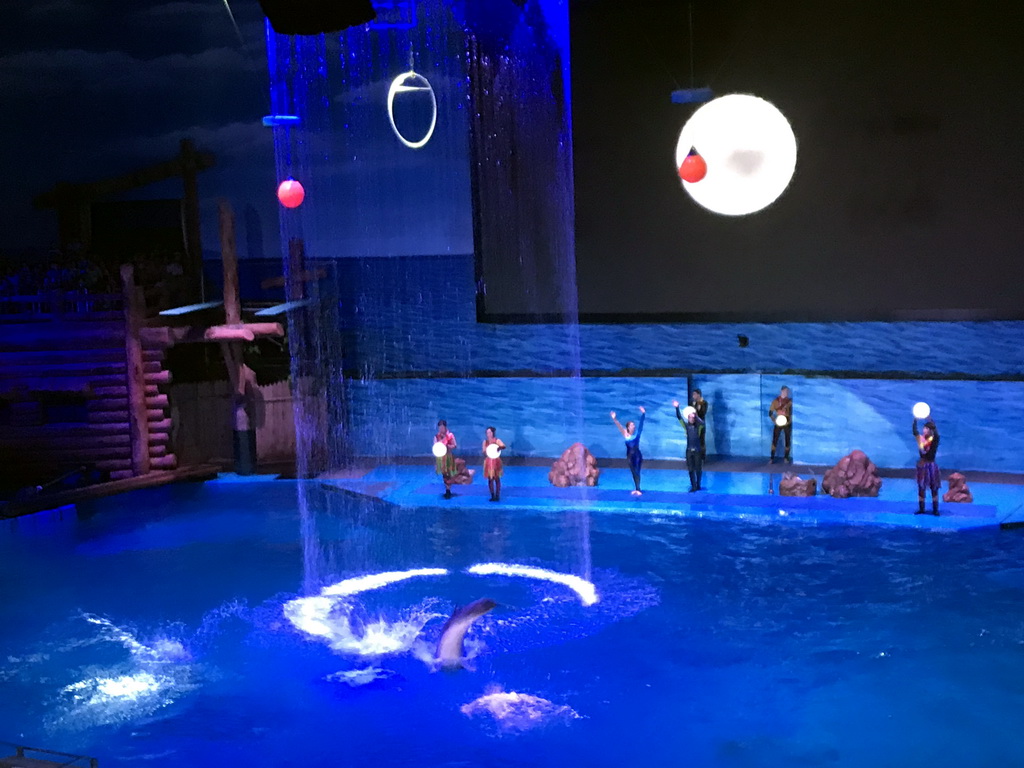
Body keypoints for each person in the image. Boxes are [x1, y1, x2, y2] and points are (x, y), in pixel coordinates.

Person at [611, 406, 646, 496]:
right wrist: (614, 419)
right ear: (628, 428)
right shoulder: (625, 435)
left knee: (637, 471)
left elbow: (641, 424)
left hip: (637, 455)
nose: (633, 427)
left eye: (634, 425)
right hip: (629, 456)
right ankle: (636, 488)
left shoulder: (637, 434)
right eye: (632, 425)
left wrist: (643, 414)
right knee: (633, 472)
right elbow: (619, 426)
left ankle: (638, 489)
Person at [675, 400, 705, 492]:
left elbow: (702, 423)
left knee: (698, 469)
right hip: (689, 451)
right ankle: (693, 486)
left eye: (692, 418)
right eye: (689, 418)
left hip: (697, 450)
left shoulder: (698, 427)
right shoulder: (686, 427)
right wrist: (677, 408)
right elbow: (679, 418)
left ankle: (698, 484)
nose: (690, 419)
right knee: (691, 469)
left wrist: (695, 415)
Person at [913, 418, 940, 516]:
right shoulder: (921, 439)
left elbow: (937, 435)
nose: (924, 430)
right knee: (921, 487)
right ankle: (921, 509)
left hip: (931, 465)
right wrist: (915, 420)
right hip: (922, 465)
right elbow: (914, 431)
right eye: (924, 428)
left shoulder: (933, 440)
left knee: (934, 487)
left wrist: (931, 420)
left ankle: (935, 510)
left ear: (930, 430)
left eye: (926, 428)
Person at [768, 386, 793, 462]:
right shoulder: (775, 401)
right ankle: (772, 458)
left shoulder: (790, 402)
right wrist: (774, 421)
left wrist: (789, 421)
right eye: (785, 391)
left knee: (787, 440)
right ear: (781, 391)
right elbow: (770, 413)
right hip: (778, 423)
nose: (786, 393)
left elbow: (792, 413)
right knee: (775, 439)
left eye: (787, 392)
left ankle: (786, 457)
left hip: (787, 423)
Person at [482, 426, 507, 502]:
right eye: (487, 433)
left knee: (497, 478)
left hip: (496, 461)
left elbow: (503, 446)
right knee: (490, 479)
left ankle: (497, 495)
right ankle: (492, 495)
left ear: (493, 433)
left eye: (490, 432)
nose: (488, 434)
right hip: (489, 461)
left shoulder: (497, 440)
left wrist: (498, 448)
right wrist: (488, 449)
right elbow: (483, 451)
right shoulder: (485, 442)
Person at [434, 419, 457, 498]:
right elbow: (435, 447)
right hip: (441, 458)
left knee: (449, 474)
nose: (441, 429)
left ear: (445, 427)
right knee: (444, 475)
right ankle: (447, 490)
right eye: (439, 427)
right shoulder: (436, 436)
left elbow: (455, 445)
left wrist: (448, 446)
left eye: (442, 427)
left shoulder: (450, 435)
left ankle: (448, 489)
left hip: (448, 457)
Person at [690, 389, 709, 459]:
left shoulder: (704, 403)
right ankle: (694, 457)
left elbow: (703, 413)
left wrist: (699, 407)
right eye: (693, 394)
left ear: (698, 394)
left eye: (694, 394)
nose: (693, 396)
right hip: (693, 425)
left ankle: (702, 457)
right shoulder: (692, 403)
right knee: (694, 440)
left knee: (701, 441)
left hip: (701, 425)